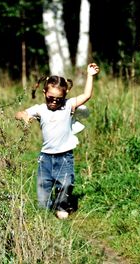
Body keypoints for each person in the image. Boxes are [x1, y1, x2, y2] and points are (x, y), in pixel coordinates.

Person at [15, 63, 100, 219]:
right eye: (50, 98)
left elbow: (86, 95)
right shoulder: (40, 109)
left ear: (65, 94)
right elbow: (18, 113)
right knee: (43, 188)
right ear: (44, 92)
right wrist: (25, 116)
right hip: (45, 157)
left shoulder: (68, 105)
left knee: (66, 183)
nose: (54, 101)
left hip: (64, 156)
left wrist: (90, 75)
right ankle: (45, 212)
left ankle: (61, 206)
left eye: (58, 99)